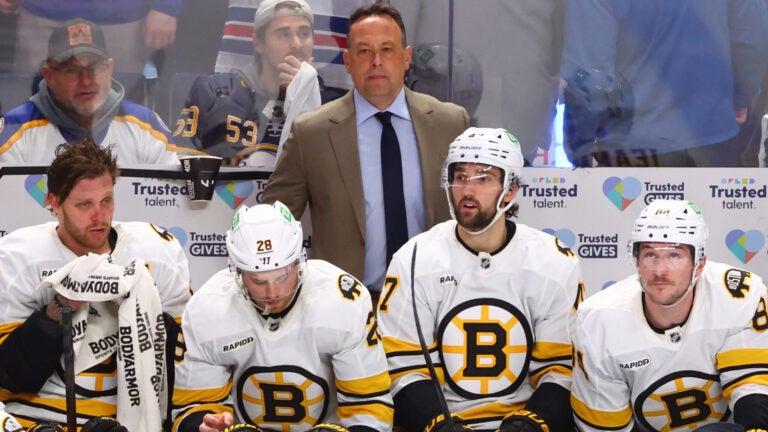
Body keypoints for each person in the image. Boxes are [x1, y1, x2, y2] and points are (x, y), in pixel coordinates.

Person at [376, 127, 583, 431]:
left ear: (510, 190)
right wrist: (441, 426)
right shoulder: (414, 259)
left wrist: (528, 426)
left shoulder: (553, 261)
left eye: (483, 178)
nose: (467, 190)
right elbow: (403, 368)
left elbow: (562, 370)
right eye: (460, 176)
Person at [261, 3, 470, 296]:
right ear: (347, 61)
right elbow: (271, 222)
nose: (376, 61)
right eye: (363, 51)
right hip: (344, 309)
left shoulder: (450, 124)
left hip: (434, 302)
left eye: (387, 49)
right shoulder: (312, 133)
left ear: (406, 57)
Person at [0, 139, 191, 429]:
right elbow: (7, 378)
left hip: (131, 422)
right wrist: (57, 311)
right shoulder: (17, 258)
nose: (100, 217)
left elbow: (184, 361)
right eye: (84, 205)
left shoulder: (156, 252)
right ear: (53, 203)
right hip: (39, 417)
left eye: (106, 200)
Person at [171, 201, 393, 432]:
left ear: (299, 262)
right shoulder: (206, 310)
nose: (273, 292)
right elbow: (191, 408)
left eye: (282, 276)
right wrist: (204, 426)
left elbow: (370, 405)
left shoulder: (344, 300)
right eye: (258, 281)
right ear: (237, 273)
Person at [571, 199, 768, 431]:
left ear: (700, 262)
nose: (660, 271)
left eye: (674, 255)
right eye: (650, 255)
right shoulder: (598, 320)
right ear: (636, 260)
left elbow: (752, 388)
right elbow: (605, 427)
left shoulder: (739, 294)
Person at [561, 0, 768, 167]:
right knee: (718, 217)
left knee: (628, 218)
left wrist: (581, 144)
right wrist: (742, 95)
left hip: (634, 148)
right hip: (714, 134)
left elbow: (590, 79)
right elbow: (753, 37)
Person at [0, 18, 180, 165]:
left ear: (110, 69)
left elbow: (170, 206)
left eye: (95, 68)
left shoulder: (148, 128)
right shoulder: (13, 130)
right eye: (72, 70)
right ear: (49, 76)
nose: (86, 80)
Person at [173, 0, 325, 168]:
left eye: (304, 34)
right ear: (259, 43)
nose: (297, 44)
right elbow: (191, 169)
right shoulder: (217, 92)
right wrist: (282, 100)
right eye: (283, 34)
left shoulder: (330, 102)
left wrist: (304, 97)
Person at [5, 0, 179, 73]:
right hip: (41, 18)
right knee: (35, 115)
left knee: (122, 116)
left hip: (120, 21)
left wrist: (166, 5)